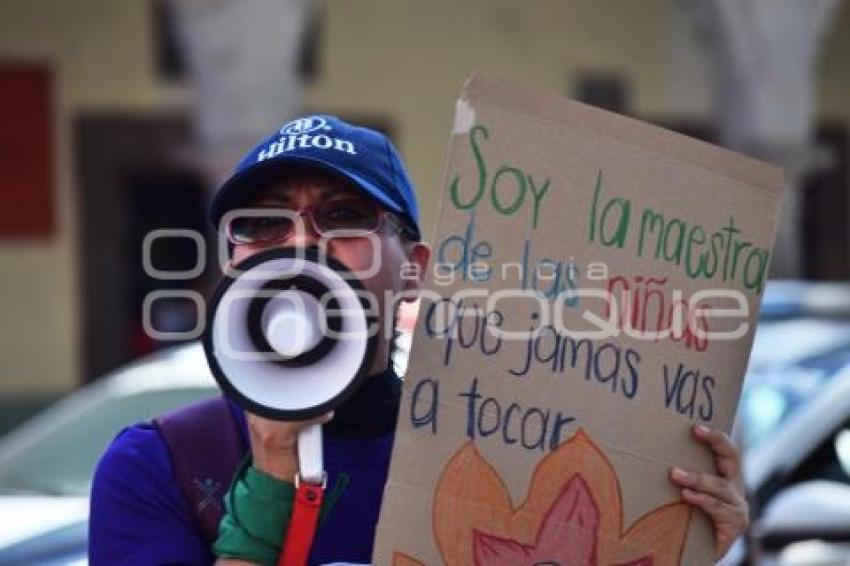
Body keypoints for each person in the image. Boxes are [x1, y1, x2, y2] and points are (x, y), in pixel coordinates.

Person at [89, 115, 749, 565]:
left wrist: (669, 543)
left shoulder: (494, 456)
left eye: (343, 215)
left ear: (415, 271)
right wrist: (267, 487)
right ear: (232, 260)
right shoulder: (162, 467)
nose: (300, 241)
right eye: (260, 224)